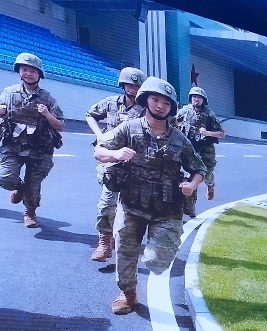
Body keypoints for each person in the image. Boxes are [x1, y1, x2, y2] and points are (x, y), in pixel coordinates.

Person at [93, 77, 205, 315]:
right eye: (155, 99)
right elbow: (99, 151)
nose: (160, 106)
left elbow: (199, 169)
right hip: (131, 205)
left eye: (166, 102)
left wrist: (192, 184)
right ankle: (128, 294)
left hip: (167, 210)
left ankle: (151, 257)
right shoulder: (128, 128)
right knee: (125, 252)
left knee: (156, 260)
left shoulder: (179, 140)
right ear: (145, 100)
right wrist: (115, 154)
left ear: (171, 108)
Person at [0, 53, 65, 229]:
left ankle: (30, 212)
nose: (28, 74)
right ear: (19, 71)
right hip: (13, 145)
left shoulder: (47, 98)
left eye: (33, 71)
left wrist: (47, 114)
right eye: (24, 69)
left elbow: (60, 125)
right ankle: (19, 188)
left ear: (39, 75)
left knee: (34, 183)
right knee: (4, 177)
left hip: (40, 147)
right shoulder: (9, 93)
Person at [85, 66, 146, 261]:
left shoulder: (147, 109)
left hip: (137, 164)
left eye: (136, 86)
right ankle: (104, 242)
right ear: (123, 85)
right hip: (112, 161)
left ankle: (124, 241)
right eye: (129, 85)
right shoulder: (111, 103)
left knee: (131, 209)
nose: (132, 89)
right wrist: (99, 135)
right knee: (106, 203)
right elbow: (90, 115)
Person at [175, 85, 225, 217]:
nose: (196, 99)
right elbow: (173, 124)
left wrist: (208, 133)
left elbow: (222, 133)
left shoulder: (209, 114)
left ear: (203, 100)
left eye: (199, 97)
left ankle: (211, 185)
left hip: (205, 151)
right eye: (194, 97)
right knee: (191, 178)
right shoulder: (184, 111)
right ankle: (190, 210)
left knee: (206, 174)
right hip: (189, 150)